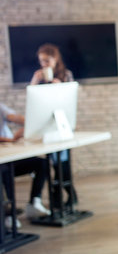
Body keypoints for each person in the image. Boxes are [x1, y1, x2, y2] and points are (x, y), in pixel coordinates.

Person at [30, 43, 77, 207]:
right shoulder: (39, 77)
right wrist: (34, 82)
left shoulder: (66, 75)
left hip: (62, 127)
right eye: (41, 61)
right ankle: (58, 200)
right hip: (47, 128)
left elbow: (70, 100)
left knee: (62, 164)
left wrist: (60, 87)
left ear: (55, 58)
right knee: (53, 164)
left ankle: (69, 196)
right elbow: (32, 103)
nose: (44, 64)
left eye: (47, 60)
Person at [0, 103, 50, 227]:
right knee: (5, 170)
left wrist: (30, 124)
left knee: (41, 163)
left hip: (9, 154)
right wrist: (11, 140)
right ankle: (8, 213)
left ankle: (35, 202)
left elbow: (13, 117)